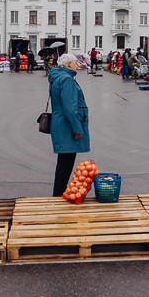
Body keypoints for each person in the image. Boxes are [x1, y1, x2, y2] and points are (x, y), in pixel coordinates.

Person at [48, 53, 90, 196]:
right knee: (65, 164)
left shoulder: (58, 78)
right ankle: (58, 195)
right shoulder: (67, 80)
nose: (77, 65)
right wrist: (77, 129)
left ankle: (58, 193)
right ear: (69, 65)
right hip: (67, 128)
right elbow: (70, 108)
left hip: (61, 126)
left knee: (63, 164)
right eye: (75, 63)